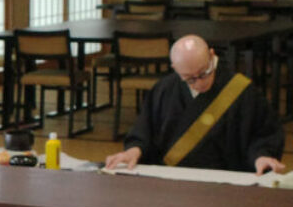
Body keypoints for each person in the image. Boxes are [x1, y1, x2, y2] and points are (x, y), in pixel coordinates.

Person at [104, 34, 286, 175]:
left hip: (224, 180)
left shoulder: (242, 91)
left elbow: (264, 133)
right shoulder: (164, 89)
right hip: (170, 178)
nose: (199, 82)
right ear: (175, 69)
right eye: (190, 79)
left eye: (204, 72)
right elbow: (144, 131)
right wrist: (134, 151)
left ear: (212, 55)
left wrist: (261, 157)